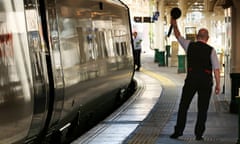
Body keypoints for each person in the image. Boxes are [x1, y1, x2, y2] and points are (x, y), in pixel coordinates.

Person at [169, 17, 221, 141]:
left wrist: (174, 24)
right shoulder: (211, 50)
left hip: (191, 79)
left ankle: (178, 131)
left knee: (184, 105)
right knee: (202, 108)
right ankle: (198, 134)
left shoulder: (189, 45)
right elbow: (216, 69)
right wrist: (218, 84)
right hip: (205, 81)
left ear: (197, 36)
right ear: (207, 38)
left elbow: (178, 36)